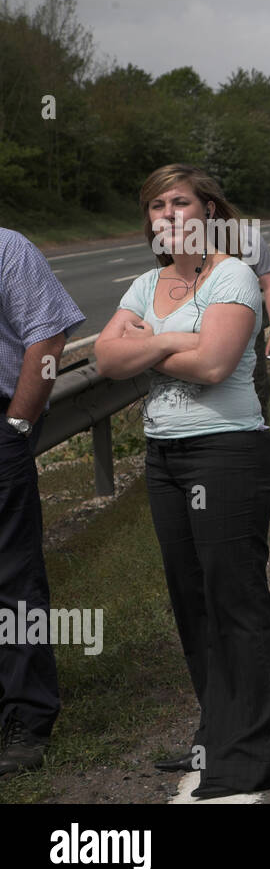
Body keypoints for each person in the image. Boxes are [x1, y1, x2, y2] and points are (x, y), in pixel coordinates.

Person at [95, 164, 270, 799]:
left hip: (227, 453)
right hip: (165, 457)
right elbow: (105, 358)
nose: (168, 214)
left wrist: (153, 341)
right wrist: (175, 338)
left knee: (236, 600)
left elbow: (212, 363)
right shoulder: (145, 283)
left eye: (180, 202)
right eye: (156, 206)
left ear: (209, 212)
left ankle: (249, 754)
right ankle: (216, 733)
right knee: (193, 602)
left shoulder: (231, 273)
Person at [0, 229, 85, 778]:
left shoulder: (7, 248)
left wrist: (16, 426)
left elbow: (48, 340)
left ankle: (26, 720)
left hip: (2, 421)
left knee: (10, 577)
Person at [241, 228, 270, 423]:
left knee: (257, 389)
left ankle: (260, 438)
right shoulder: (187, 238)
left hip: (249, 335)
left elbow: (269, 285)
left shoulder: (248, 236)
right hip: (203, 334)